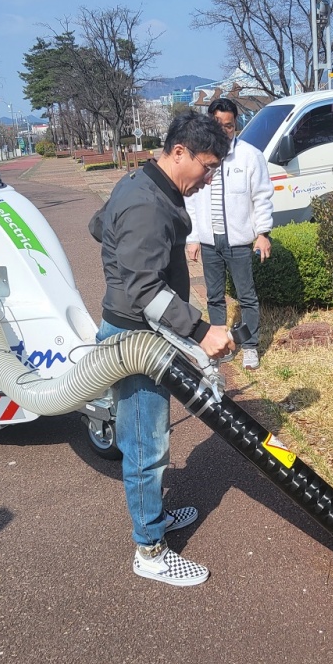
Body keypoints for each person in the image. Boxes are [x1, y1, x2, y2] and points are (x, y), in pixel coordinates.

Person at [88, 111, 234, 587]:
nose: (208, 178)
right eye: (207, 167)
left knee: (148, 441)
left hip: (142, 332)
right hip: (134, 338)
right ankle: (150, 552)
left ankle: (153, 517)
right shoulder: (147, 203)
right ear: (178, 153)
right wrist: (201, 330)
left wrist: (121, 253)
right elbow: (144, 290)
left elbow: (97, 226)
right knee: (147, 447)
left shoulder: (142, 186)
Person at [184, 98, 274, 370]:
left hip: (238, 241)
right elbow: (190, 198)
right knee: (214, 296)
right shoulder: (198, 155)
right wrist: (192, 238)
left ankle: (250, 346)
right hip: (209, 241)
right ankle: (220, 346)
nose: (224, 131)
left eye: (229, 126)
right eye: (218, 125)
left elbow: (262, 196)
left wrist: (262, 233)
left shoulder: (249, 155)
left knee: (246, 296)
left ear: (236, 125)